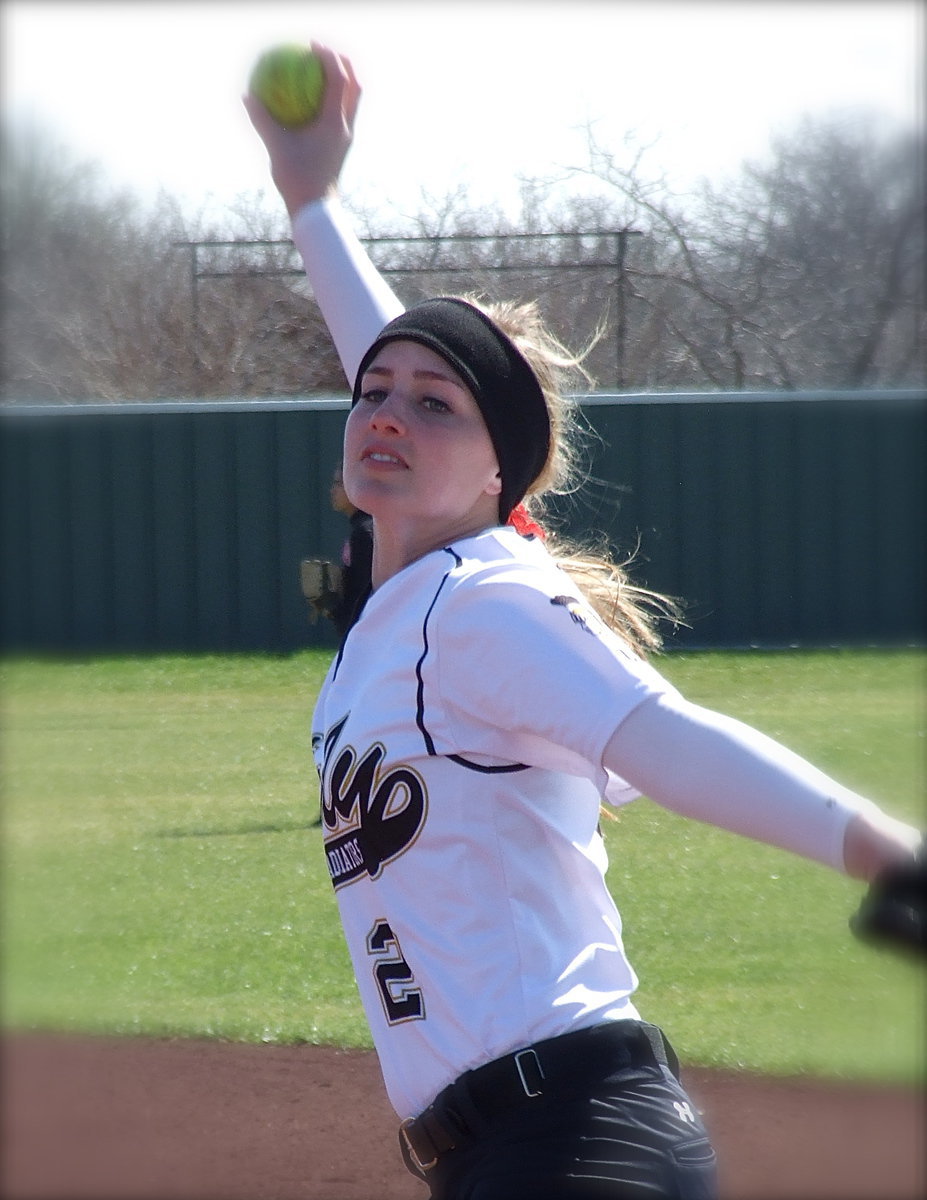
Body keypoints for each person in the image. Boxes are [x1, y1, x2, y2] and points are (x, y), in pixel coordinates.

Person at [245, 45, 922, 1200]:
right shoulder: (402, 615)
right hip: (510, 1150)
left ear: (497, 471)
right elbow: (408, 361)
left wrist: (889, 851)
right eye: (374, 393)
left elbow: (666, 736)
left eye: (434, 404)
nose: (389, 414)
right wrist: (309, 199)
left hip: (574, 1139)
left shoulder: (484, 601)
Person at [328, 462, 374, 640]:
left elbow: (366, 588)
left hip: (367, 631)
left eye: (339, 484)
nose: (332, 491)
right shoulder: (362, 527)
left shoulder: (366, 531)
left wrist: (340, 612)